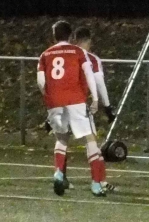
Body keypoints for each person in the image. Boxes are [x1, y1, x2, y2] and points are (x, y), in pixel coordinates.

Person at [37, 21, 111, 197]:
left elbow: (40, 81)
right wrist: (95, 99)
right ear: (70, 36)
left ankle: (58, 173)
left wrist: (49, 96)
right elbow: (88, 74)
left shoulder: (45, 54)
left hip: (55, 101)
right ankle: (96, 184)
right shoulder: (78, 52)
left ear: (54, 37)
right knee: (90, 140)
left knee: (62, 139)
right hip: (76, 100)